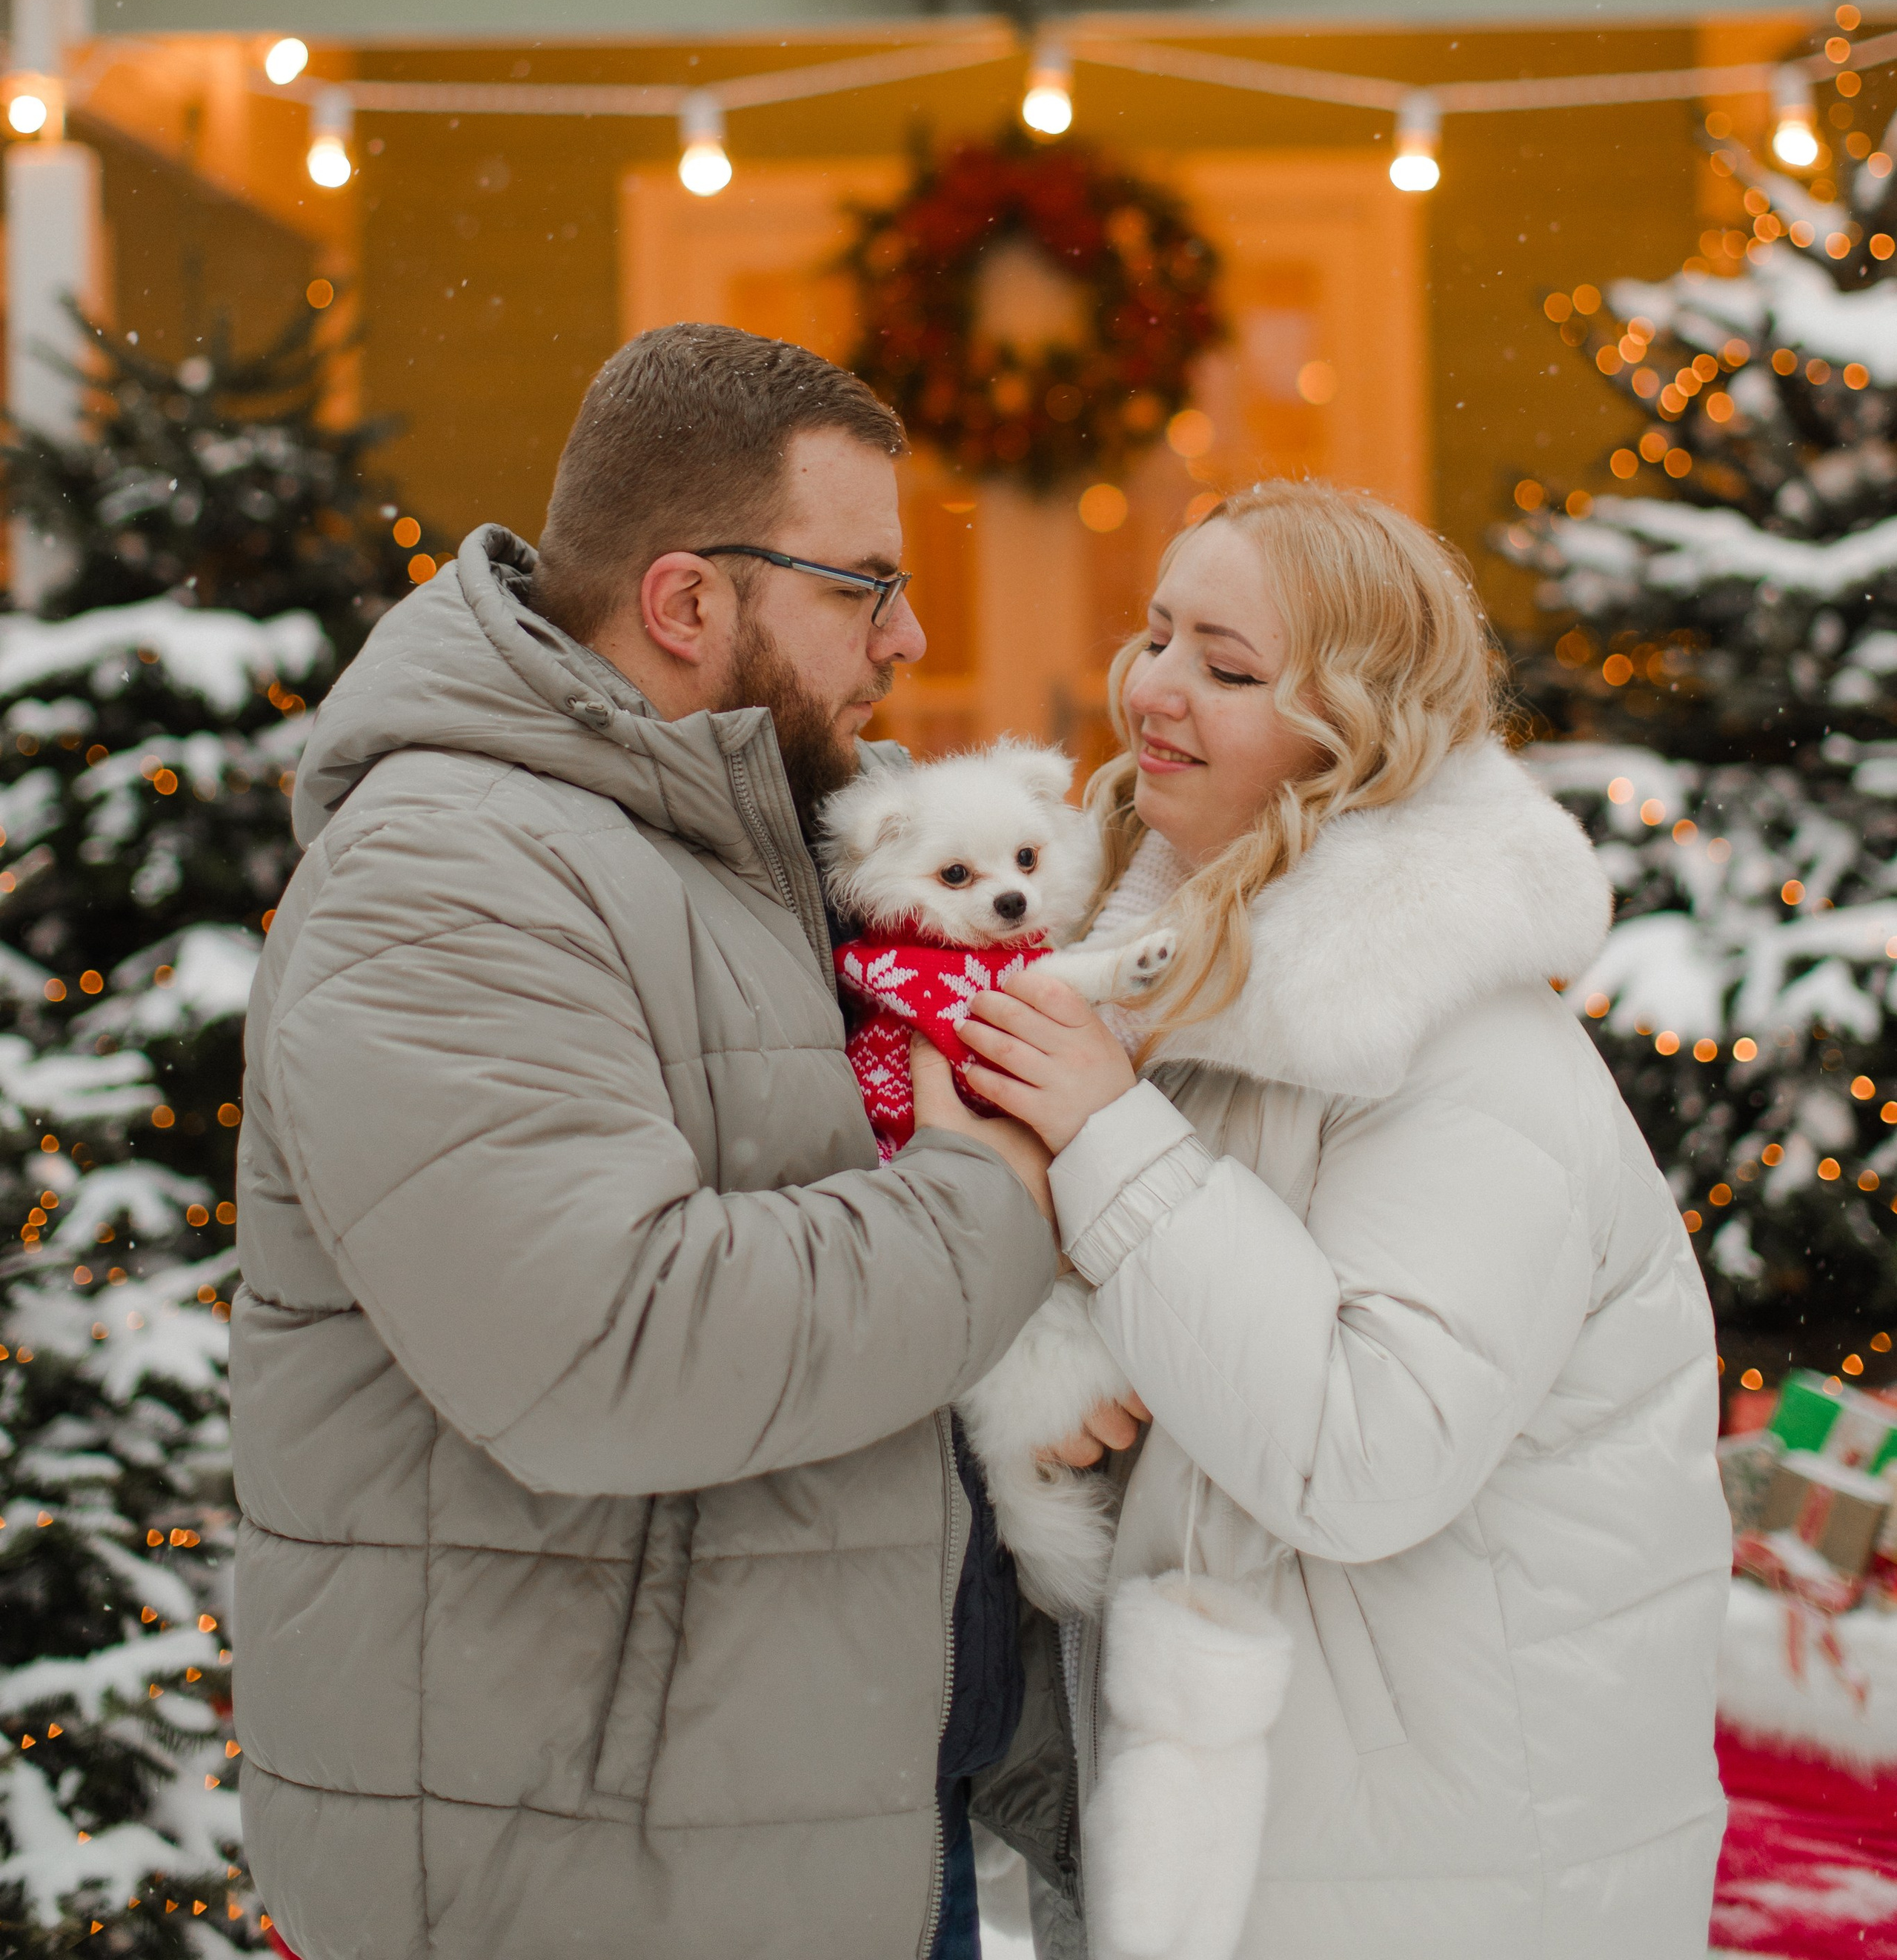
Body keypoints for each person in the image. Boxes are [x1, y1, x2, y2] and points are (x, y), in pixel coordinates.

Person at [230, 323, 1059, 1960]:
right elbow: (612, 1342)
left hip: (823, 1819)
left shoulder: (770, 844)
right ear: (685, 603)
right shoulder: (446, 875)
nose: (906, 636)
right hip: (595, 1883)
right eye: (857, 586)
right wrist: (1002, 1198)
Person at [959, 479, 1730, 1960]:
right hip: (1270, 1840)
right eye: (1156, 632)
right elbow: (1205, 1341)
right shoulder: (1167, 984)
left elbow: (1358, 1451)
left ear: (1354, 732)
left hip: (1450, 1873)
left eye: (1227, 668)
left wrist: (1107, 1143)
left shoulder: (1466, 1047)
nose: (1154, 690)